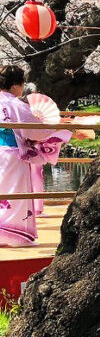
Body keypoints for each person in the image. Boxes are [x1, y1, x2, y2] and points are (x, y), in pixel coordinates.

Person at [0, 65, 42, 247]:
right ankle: (12, 237)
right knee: (15, 194)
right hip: (12, 154)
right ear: (16, 85)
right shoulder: (16, 105)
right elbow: (36, 131)